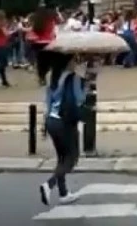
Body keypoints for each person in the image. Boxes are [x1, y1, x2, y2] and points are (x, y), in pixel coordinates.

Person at [39, 54, 85, 206]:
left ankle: (63, 193)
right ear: (68, 61)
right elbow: (79, 99)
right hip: (65, 122)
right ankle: (49, 184)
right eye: (74, 60)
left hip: (52, 120)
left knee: (61, 158)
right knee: (71, 158)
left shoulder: (50, 76)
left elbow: (48, 102)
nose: (75, 63)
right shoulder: (74, 78)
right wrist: (86, 86)